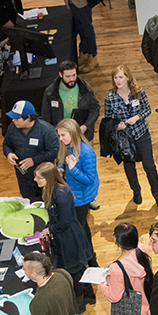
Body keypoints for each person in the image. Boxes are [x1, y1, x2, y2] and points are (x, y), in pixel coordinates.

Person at [104, 65, 158, 207]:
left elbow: (147, 109)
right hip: (124, 139)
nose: (117, 80)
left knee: (149, 166)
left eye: (121, 77)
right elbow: (107, 120)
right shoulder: (110, 98)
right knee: (129, 168)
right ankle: (136, 191)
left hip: (142, 134)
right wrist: (116, 126)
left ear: (128, 77)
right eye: (115, 77)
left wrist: (137, 117)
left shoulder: (138, 92)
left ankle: (157, 195)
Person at [37, 162, 93, 309]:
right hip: (64, 237)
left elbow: (65, 222)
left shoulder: (60, 195)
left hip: (69, 239)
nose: (35, 180)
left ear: (48, 178)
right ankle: (88, 295)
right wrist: (49, 227)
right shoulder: (52, 191)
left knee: (75, 271)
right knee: (78, 270)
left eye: (38, 177)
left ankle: (79, 304)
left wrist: (50, 230)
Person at [56, 117, 100, 279]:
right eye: (59, 135)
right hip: (73, 196)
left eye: (63, 135)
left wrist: (73, 169)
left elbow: (89, 179)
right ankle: (91, 260)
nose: (60, 139)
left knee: (79, 231)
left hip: (81, 199)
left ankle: (88, 261)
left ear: (72, 133)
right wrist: (61, 168)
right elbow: (63, 161)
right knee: (82, 228)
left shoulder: (87, 152)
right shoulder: (68, 147)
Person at [1, 101, 57, 202]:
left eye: (17, 118)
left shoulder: (47, 130)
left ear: (28, 118)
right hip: (23, 177)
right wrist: (9, 153)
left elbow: (54, 151)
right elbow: (6, 144)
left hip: (44, 177)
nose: (13, 120)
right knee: (29, 202)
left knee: (48, 202)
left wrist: (34, 160)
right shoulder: (12, 128)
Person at [42, 60, 100, 139]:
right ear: (60, 75)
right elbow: (46, 118)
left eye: (74, 75)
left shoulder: (86, 89)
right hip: (61, 137)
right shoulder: (50, 93)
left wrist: (85, 126)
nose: (72, 79)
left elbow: (94, 109)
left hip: (83, 135)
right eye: (68, 76)